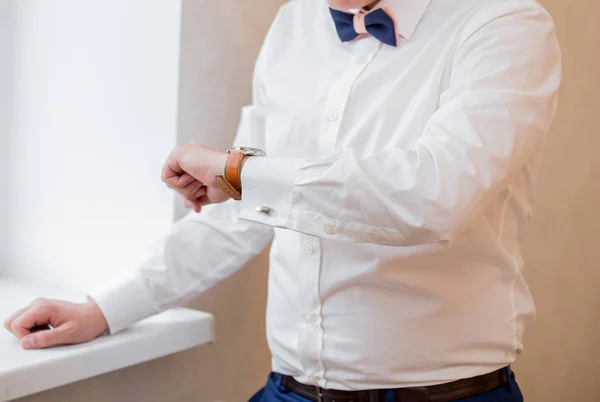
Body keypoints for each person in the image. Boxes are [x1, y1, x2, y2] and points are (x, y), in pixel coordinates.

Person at [4, 0, 561, 400]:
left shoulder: (505, 23)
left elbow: (433, 194)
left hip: (446, 394)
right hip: (289, 389)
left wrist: (244, 173)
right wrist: (104, 310)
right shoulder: (294, 23)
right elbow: (246, 212)